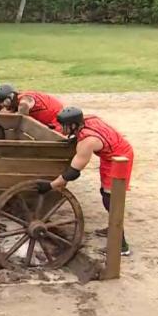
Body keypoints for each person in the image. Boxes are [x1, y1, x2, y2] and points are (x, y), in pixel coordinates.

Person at [36, 107, 134, 256]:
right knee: (105, 193)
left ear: (74, 125)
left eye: (65, 127)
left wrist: (50, 185)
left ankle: (121, 246)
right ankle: (113, 229)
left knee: (111, 199)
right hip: (109, 154)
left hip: (120, 157)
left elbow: (73, 173)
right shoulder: (87, 119)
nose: (63, 129)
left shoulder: (88, 142)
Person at [0, 85, 65, 133]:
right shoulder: (15, 103)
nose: (5, 107)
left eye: (6, 104)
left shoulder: (24, 100)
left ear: (11, 98)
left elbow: (23, 107)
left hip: (57, 119)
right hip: (46, 119)